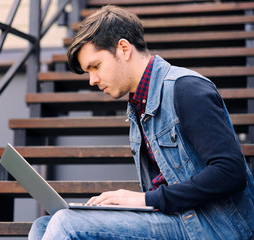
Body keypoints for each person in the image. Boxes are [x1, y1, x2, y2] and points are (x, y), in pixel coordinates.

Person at [29, 5, 254, 239]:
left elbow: (230, 172)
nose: (92, 80)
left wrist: (144, 199)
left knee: (67, 224)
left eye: (95, 66)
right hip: (173, 218)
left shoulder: (186, 89)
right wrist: (131, 206)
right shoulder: (139, 104)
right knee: (44, 225)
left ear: (124, 49)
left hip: (213, 229)